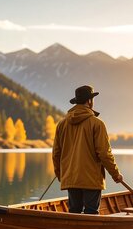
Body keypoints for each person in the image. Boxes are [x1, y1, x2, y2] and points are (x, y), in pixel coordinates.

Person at [52, 85, 123, 214]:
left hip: (71, 179)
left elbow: (56, 153)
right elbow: (104, 153)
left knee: (74, 213)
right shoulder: (97, 124)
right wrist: (115, 174)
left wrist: (61, 175)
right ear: (89, 101)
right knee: (91, 214)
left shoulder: (61, 124)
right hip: (91, 179)